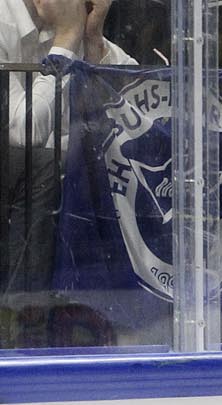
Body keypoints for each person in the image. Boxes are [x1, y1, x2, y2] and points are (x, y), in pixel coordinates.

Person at [3, 0, 133, 292]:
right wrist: (67, 41)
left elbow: (138, 111)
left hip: (69, 219)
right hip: (15, 204)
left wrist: (92, 42)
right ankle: (23, 318)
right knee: (43, 166)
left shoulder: (68, 25)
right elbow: (21, 134)